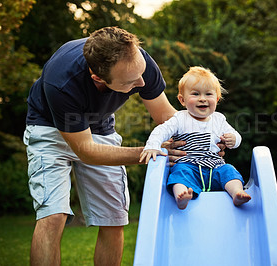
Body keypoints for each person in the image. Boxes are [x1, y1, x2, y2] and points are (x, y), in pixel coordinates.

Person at [23, 26, 183, 266]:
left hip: (99, 127)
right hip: (49, 128)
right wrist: (149, 151)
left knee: (114, 217)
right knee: (53, 215)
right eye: (131, 81)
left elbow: (166, 116)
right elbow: (86, 151)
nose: (141, 82)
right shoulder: (62, 82)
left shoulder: (138, 64)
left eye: (141, 73)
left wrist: (204, 138)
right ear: (97, 78)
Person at [140, 66, 251, 210]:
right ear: (182, 100)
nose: (202, 99)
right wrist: (153, 145)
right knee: (179, 173)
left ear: (217, 99)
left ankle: (237, 193)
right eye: (195, 94)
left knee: (229, 171)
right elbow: (162, 130)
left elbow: (236, 135)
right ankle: (182, 196)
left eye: (208, 94)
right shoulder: (180, 118)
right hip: (189, 165)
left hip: (215, 166)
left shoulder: (219, 119)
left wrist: (234, 139)